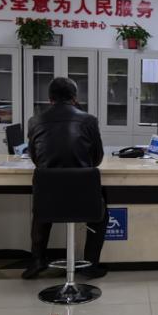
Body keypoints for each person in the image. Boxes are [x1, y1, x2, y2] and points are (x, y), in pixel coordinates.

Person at [23, 76, 108, 281]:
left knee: (43, 207)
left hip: (48, 198)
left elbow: (35, 159)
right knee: (101, 212)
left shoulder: (35, 121)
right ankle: (90, 265)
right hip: (83, 198)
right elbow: (97, 159)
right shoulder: (89, 120)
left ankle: (37, 260)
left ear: (49, 98)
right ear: (75, 98)